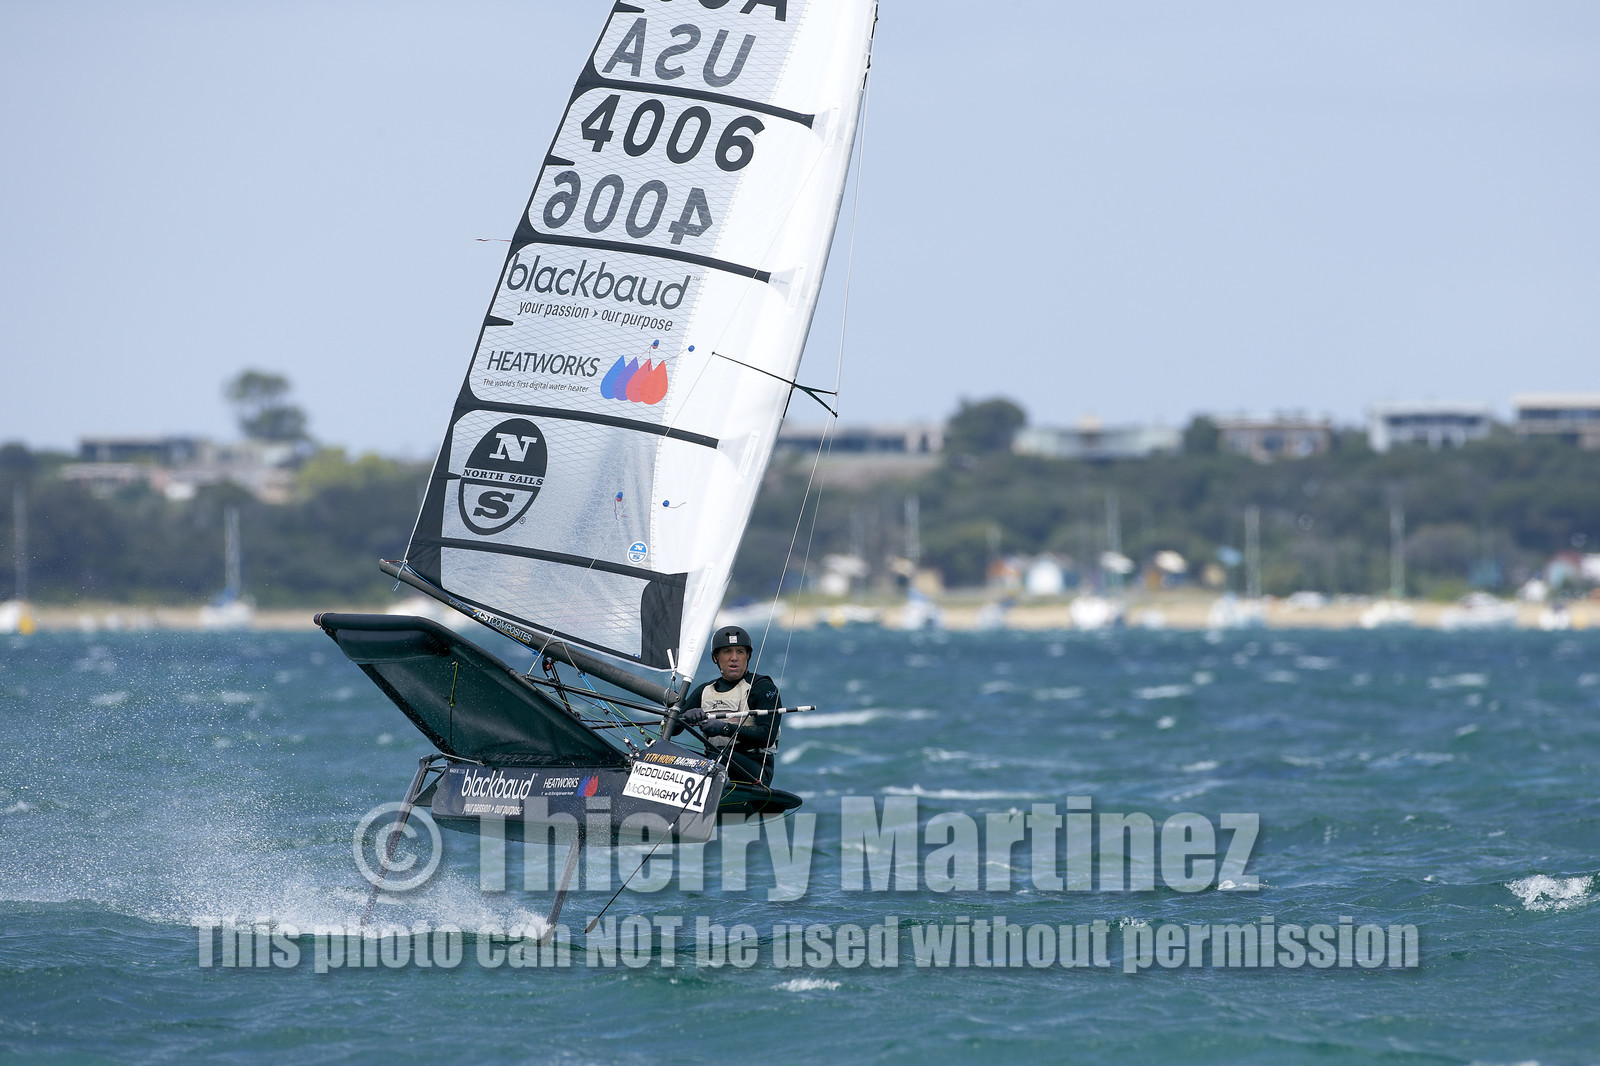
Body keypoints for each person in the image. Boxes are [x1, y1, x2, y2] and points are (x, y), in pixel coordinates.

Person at [673, 626, 782, 786]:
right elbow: (670, 729)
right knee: (672, 758)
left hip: (755, 769)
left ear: (748, 656)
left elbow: (767, 736)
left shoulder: (763, 688)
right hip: (714, 763)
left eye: (740, 651)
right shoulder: (704, 691)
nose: (734, 658)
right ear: (715, 658)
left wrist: (724, 728)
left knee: (720, 756)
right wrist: (684, 718)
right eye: (727, 652)